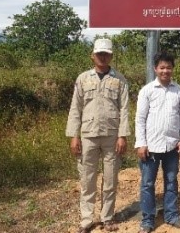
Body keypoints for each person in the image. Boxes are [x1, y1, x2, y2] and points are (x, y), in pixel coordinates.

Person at [65, 38, 130, 233]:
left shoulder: (119, 80)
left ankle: (107, 218)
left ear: (111, 56)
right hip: (88, 135)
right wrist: (73, 136)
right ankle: (86, 220)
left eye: (106, 54)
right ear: (92, 55)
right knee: (87, 179)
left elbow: (125, 109)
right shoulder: (83, 79)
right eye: (99, 53)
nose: (103, 57)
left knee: (110, 179)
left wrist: (122, 136)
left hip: (111, 135)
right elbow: (75, 108)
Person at [135, 51, 180, 233]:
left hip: (172, 146)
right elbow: (140, 119)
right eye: (162, 67)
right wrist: (141, 143)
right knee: (148, 183)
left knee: (171, 181)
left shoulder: (179, 91)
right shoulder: (147, 91)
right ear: (155, 69)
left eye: (168, 67)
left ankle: (171, 215)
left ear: (173, 69)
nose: (165, 71)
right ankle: (148, 219)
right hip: (150, 146)